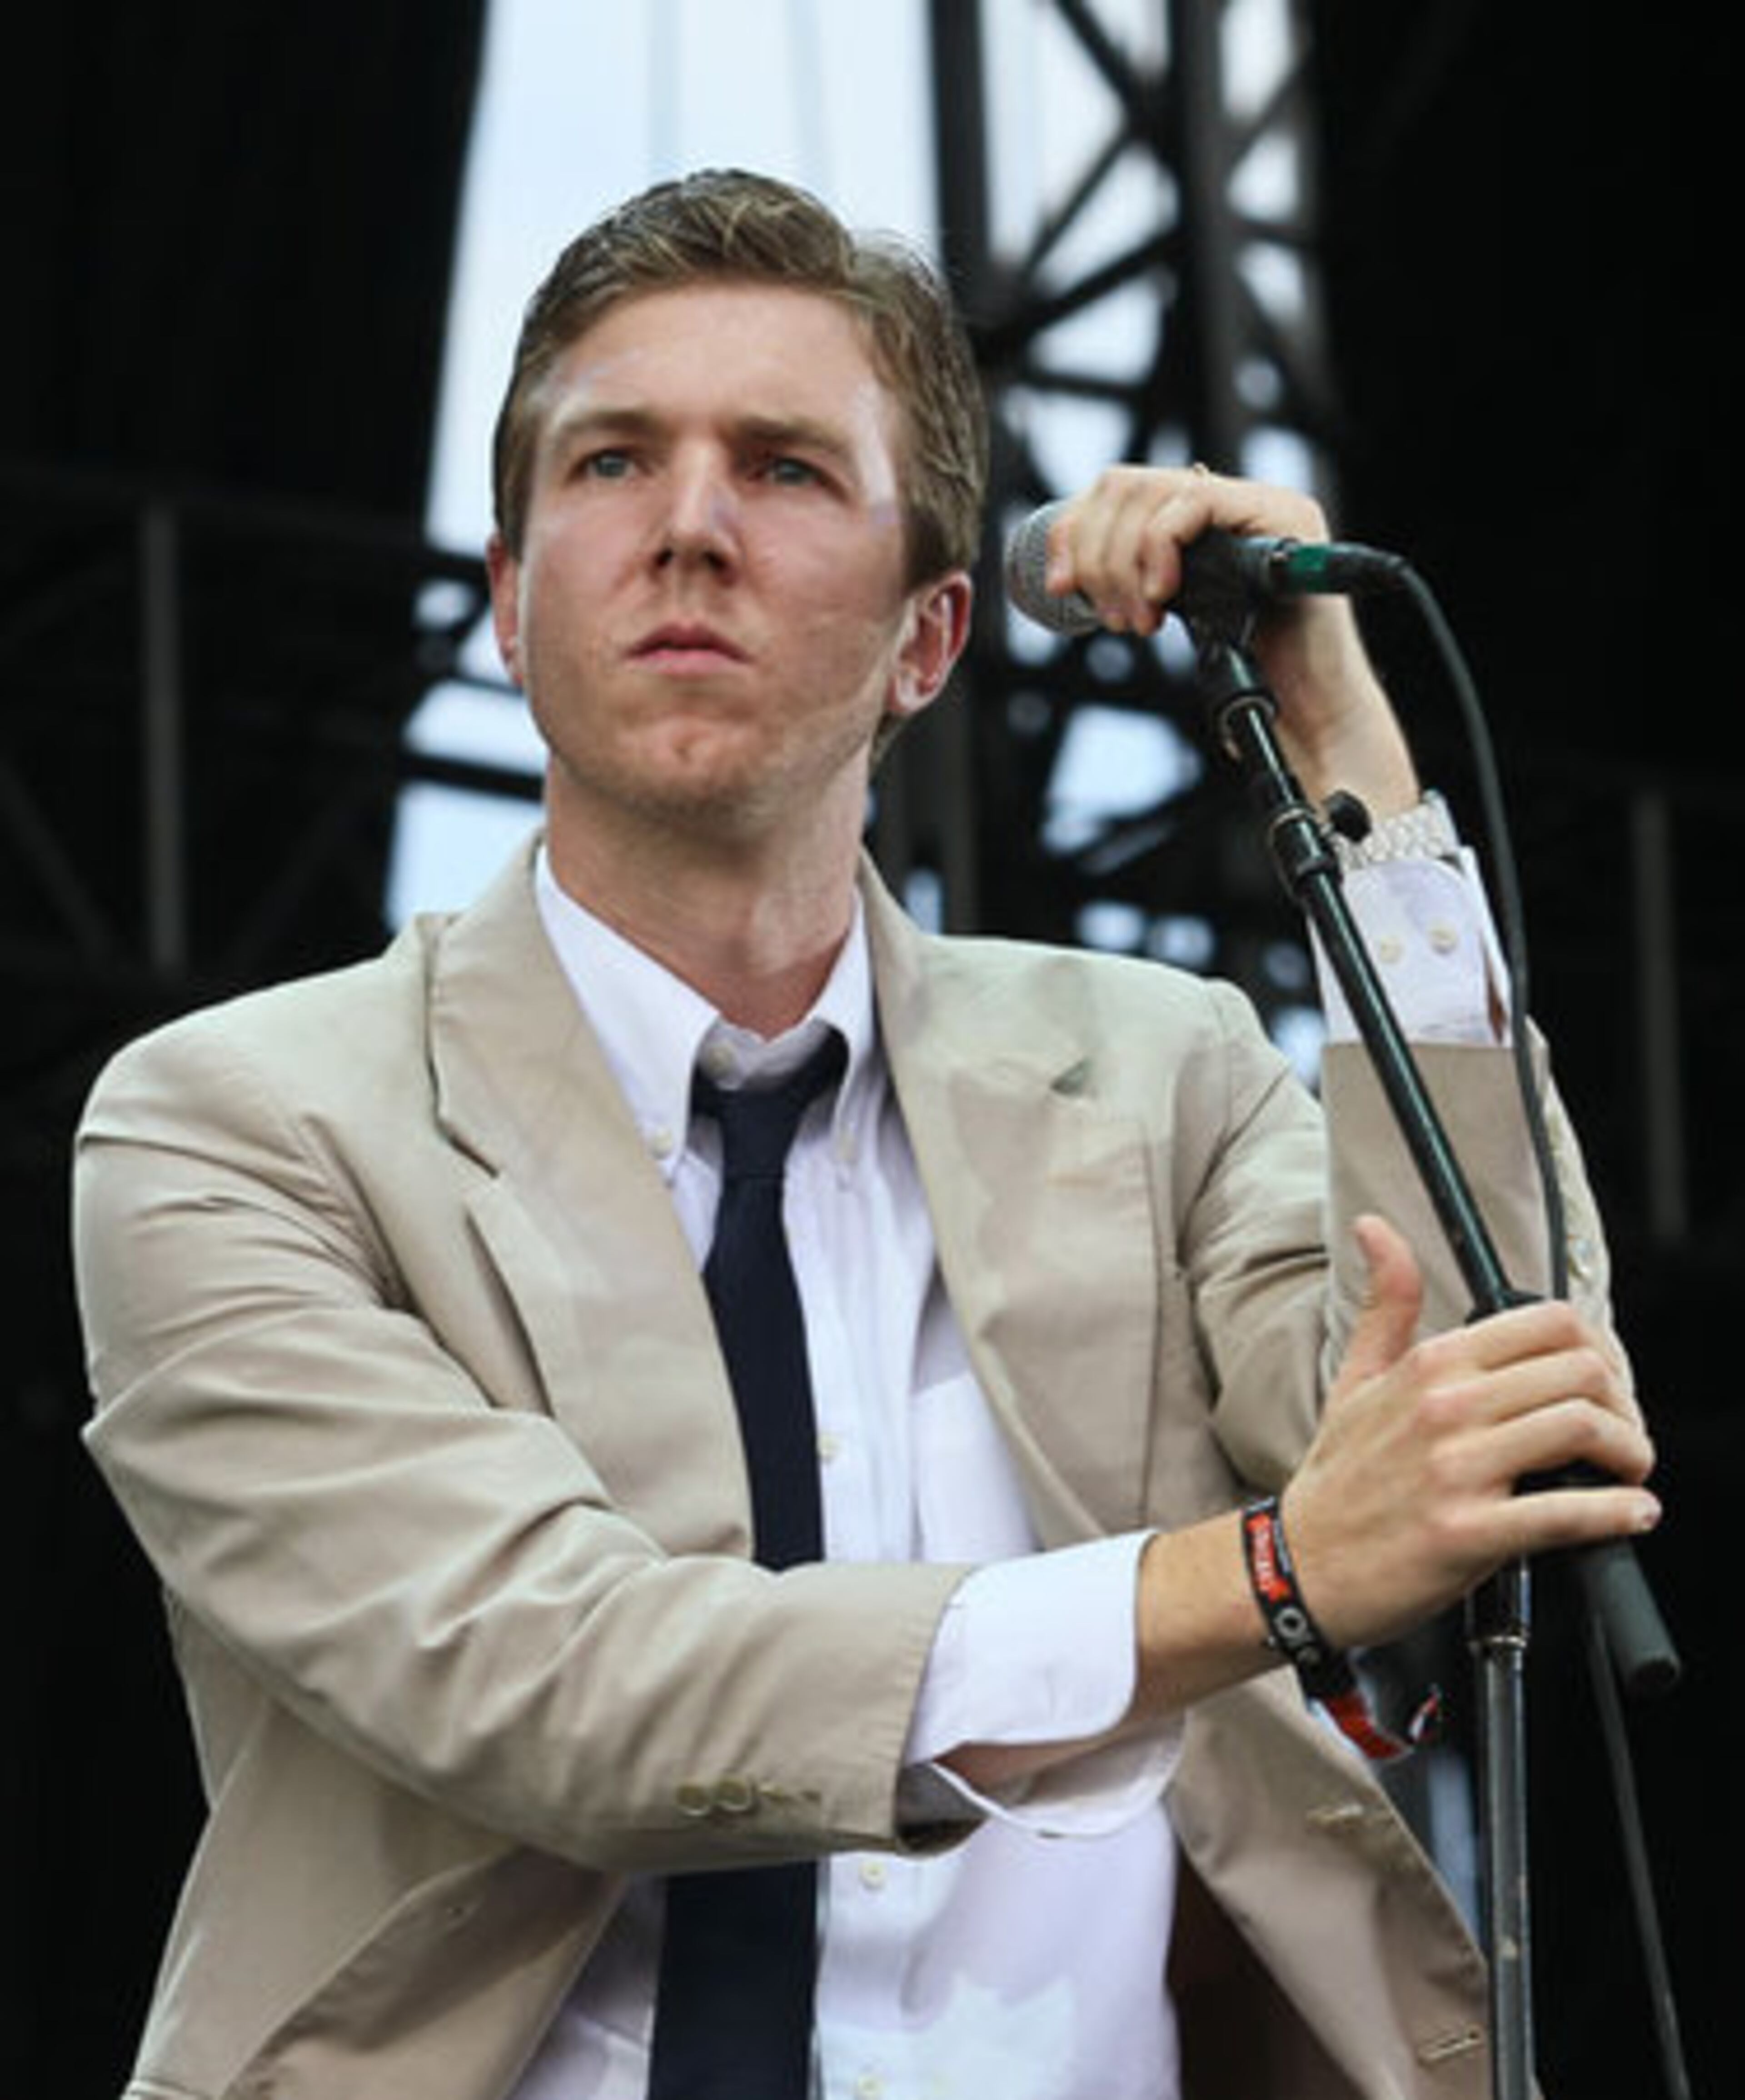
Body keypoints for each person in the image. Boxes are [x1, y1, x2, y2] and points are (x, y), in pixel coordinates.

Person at [73, 169, 1657, 2100]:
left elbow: (1485, 1391)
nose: (686, 530)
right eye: (609, 464)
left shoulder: (1160, 1071)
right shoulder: (232, 1124)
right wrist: (1262, 1578)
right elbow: (563, 1678)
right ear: (506, 601)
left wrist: (1344, 751)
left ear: (929, 642)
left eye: (788, 469)